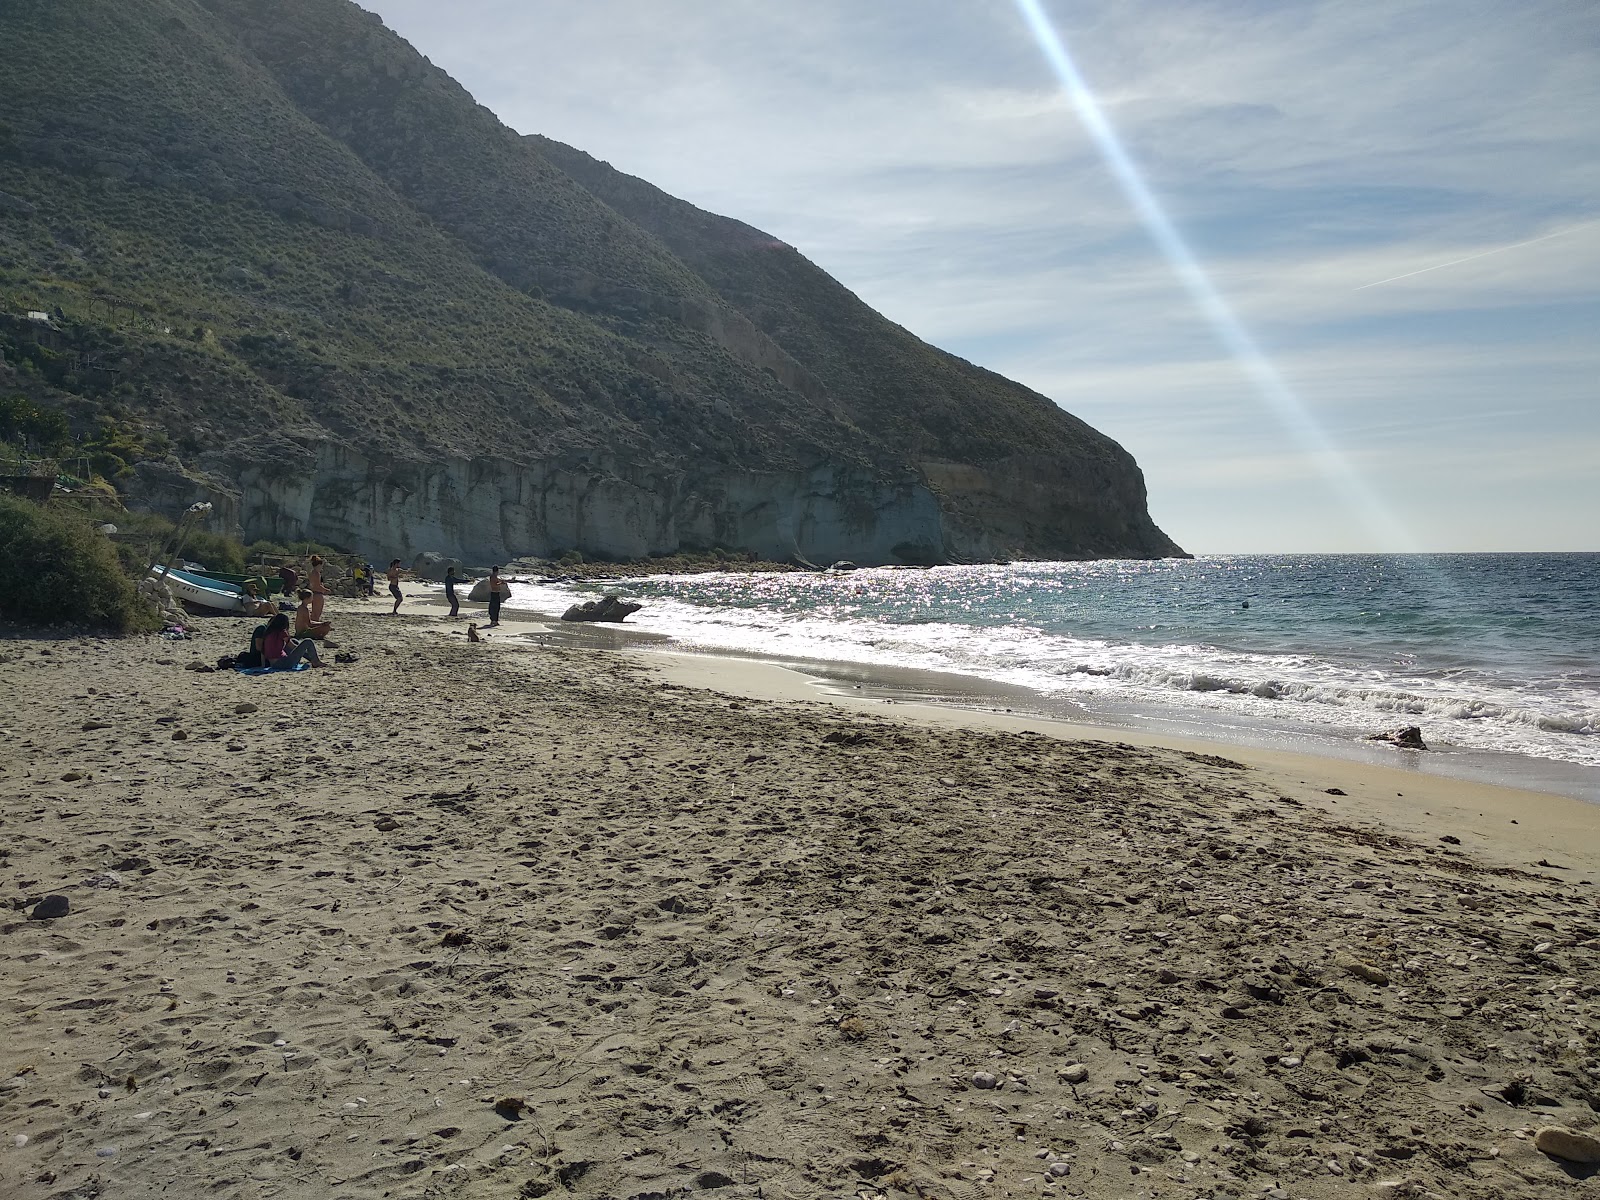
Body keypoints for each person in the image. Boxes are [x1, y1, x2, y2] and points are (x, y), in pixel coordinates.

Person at [261, 612, 327, 670]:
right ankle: (315, 661)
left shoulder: (268, 633)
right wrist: (308, 655)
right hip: (283, 664)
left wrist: (263, 666)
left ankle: (313, 660)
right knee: (308, 641)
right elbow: (293, 646)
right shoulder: (281, 632)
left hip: (273, 664)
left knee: (294, 641)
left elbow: (263, 651)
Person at [308, 554, 329, 623]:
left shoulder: (311, 572)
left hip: (314, 593)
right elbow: (318, 585)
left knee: (314, 612)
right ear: (318, 565)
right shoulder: (316, 573)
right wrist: (325, 589)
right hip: (318, 594)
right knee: (317, 612)